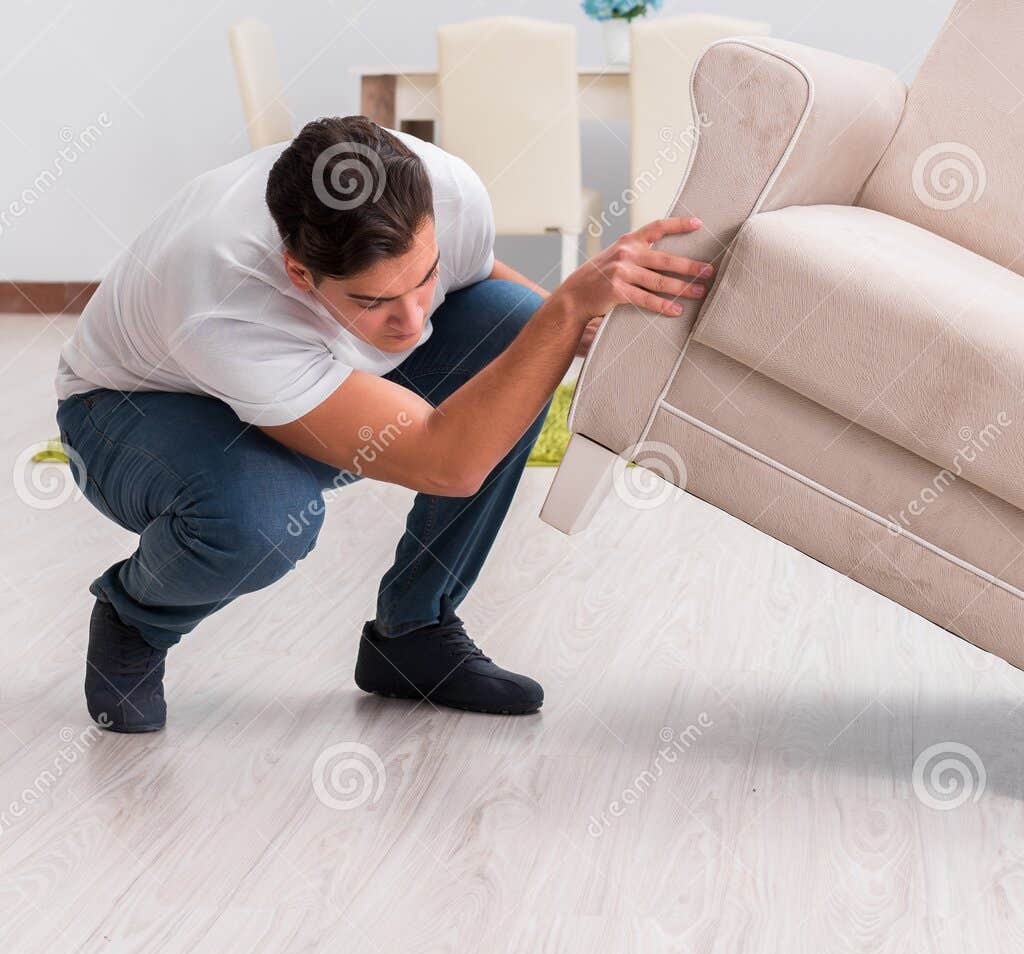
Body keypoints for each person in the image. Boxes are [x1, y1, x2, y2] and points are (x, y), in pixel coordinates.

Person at [54, 115, 711, 733]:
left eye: (424, 278)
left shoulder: (445, 188)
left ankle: (413, 633)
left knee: (520, 328)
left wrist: (577, 328)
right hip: (132, 411)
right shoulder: (220, 295)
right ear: (299, 272)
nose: (414, 320)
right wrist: (567, 306)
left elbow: (484, 287)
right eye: (374, 300)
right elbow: (449, 464)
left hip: (291, 369)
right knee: (262, 517)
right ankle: (137, 614)